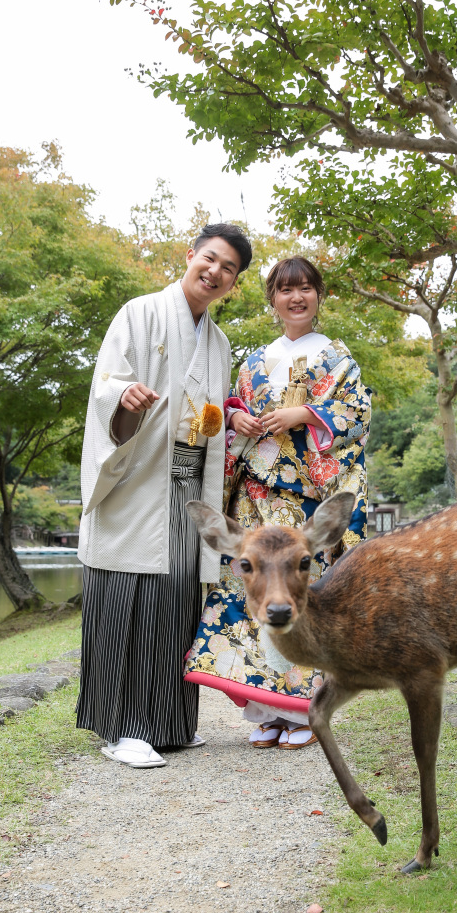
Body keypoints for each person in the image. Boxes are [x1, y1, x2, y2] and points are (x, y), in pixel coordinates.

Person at [76, 222, 253, 768]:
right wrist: (124, 396)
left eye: (228, 269)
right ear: (191, 256)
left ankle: (171, 723)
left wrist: (232, 419)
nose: (215, 272)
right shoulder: (140, 312)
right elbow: (107, 384)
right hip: (138, 480)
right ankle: (124, 727)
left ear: (233, 282)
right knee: (131, 598)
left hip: (189, 483)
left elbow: (210, 412)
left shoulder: (218, 342)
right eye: (210, 259)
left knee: (176, 602)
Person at [184, 256, 370, 749]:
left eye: (305, 288)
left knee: (295, 596)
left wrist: (305, 413)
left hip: (304, 495)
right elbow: (231, 405)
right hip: (255, 495)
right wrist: (235, 418)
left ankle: (305, 712)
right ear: (272, 300)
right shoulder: (254, 361)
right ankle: (267, 711)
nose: (296, 298)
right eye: (285, 290)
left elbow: (355, 413)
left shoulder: (337, 357)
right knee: (250, 595)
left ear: (318, 296)